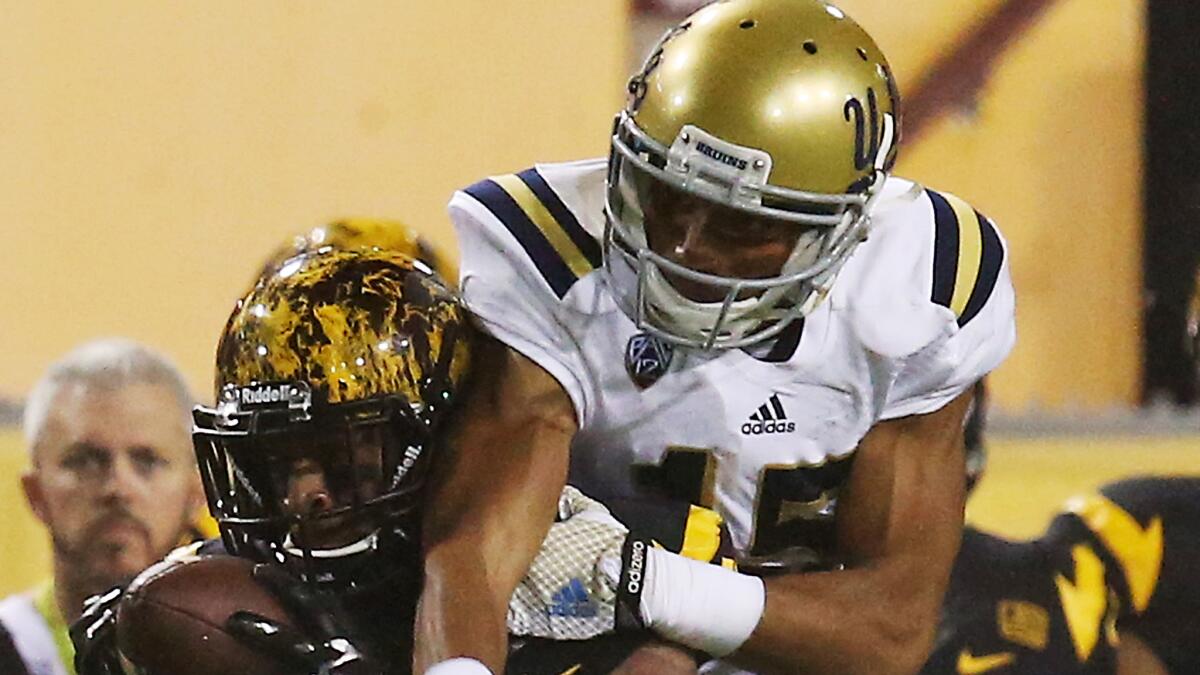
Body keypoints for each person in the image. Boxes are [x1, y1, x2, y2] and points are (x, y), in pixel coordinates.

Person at [415, 1, 1017, 673]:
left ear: (841, 230)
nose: (682, 248)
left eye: (740, 227)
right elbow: (474, 552)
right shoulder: (550, 255)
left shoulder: (920, 291)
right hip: (587, 635)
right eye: (667, 198)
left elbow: (888, 635)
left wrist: (650, 582)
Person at [71, 248, 731, 675]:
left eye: (344, 462)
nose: (307, 495)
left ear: (440, 439)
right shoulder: (225, 593)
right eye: (277, 464)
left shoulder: (601, 554)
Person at [0, 339, 205, 675]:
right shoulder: (10, 646)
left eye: (147, 461)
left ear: (195, 492)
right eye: (85, 461)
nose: (118, 488)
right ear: (35, 494)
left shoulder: (249, 660)